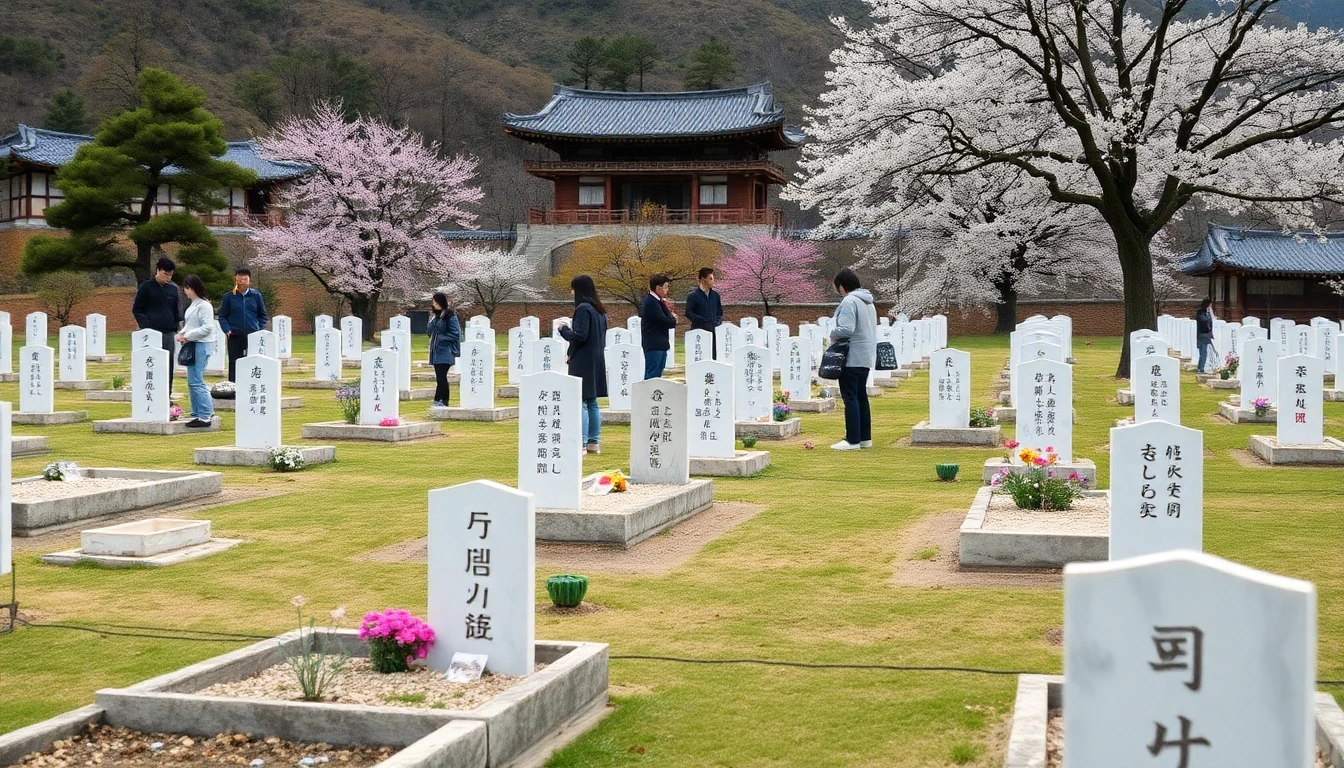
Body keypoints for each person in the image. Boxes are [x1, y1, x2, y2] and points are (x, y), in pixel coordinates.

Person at [559, 274, 608, 454]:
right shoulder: (600, 310)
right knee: (592, 401)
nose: (572, 292)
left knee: (581, 401)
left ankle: (581, 443)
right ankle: (594, 442)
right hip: (596, 359)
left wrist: (563, 329)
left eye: (573, 288)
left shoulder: (583, 309)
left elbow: (580, 335)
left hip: (583, 361)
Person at [829, 268, 877, 451]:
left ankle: (852, 440)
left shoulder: (849, 301)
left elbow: (846, 329)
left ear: (842, 286)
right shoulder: (868, 303)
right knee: (860, 396)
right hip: (865, 356)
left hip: (851, 356)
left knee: (850, 397)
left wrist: (831, 332)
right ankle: (865, 438)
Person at [131, 257, 182, 396]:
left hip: (168, 333)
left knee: (168, 364)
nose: (168, 277)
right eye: (165, 274)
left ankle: (167, 394)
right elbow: (137, 309)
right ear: (158, 270)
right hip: (152, 333)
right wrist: (147, 326)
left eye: (170, 275)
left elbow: (177, 310)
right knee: (152, 363)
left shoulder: (172, 288)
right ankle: (151, 394)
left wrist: (177, 324)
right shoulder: (146, 287)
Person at [176, 275, 216, 428]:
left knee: (197, 381)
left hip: (201, 345)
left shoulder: (204, 305)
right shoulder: (193, 304)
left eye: (187, 288)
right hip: (193, 344)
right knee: (192, 381)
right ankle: (197, 413)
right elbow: (190, 324)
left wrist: (187, 335)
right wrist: (182, 334)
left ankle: (205, 415)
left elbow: (207, 328)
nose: (185, 291)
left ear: (194, 288)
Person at [218, 267, 269, 382]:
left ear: (249, 281)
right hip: (234, 335)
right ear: (235, 280)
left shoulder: (256, 296)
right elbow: (222, 316)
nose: (241, 282)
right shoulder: (229, 297)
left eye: (244, 279)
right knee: (234, 363)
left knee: (252, 362)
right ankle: (233, 387)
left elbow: (262, 315)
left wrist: (260, 329)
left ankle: (250, 386)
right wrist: (227, 329)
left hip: (252, 335)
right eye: (239, 279)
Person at [426, 292, 461, 407]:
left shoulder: (450, 315)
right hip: (436, 351)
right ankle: (439, 400)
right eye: (433, 302)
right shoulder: (436, 316)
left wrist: (442, 338)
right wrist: (433, 319)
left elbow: (456, 333)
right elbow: (429, 332)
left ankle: (442, 401)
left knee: (441, 377)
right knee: (439, 377)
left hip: (445, 350)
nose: (434, 304)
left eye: (436, 302)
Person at [640, 273, 678, 379]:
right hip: (653, 344)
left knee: (657, 375)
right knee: (652, 375)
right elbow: (665, 320)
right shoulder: (650, 301)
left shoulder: (658, 301)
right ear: (658, 287)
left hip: (660, 344)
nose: (667, 290)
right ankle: (646, 395)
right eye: (666, 287)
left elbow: (669, 318)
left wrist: (672, 319)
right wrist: (673, 320)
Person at [685, 267, 723, 357]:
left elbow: (719, 311)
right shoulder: (693, 296)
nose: (713, 281)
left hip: (714, 331)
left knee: (714, 357)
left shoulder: (715, 295)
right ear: (703, 279)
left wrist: (717, 321)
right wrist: (702, 320)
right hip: (699, 331)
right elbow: (688, 312)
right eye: (710, 278)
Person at [1195, 297, 1215, 373]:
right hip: (1202, 334)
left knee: (1204, 352)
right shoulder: (1201, 313)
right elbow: (1204, 322)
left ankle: (1201, 367)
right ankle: (1201, 368)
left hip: (1207, 334)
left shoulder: (1207, 313)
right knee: (1203, 352)